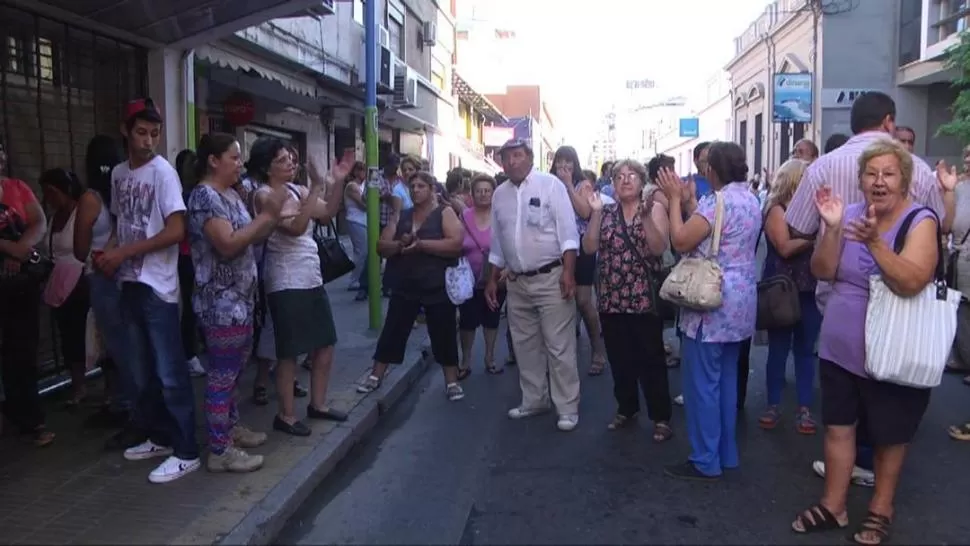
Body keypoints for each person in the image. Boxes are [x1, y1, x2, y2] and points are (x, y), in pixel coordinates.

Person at [785, 92, 948, 488]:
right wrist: (836, 227)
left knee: (888, 424)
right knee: (841, 420)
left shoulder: (824, 167)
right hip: (843, 336)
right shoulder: (917, 177)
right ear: (888, 121)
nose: (879, 182)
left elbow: (796, 227)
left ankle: (878, 499)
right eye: (871, 175)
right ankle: (838, 499)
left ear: (903, 180)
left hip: (897, 334)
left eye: (888, 175)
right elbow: (822, 267)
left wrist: (874, 241)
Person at [96, 98, 199, 483]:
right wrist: (108, 254)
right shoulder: (120, 174)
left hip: (158, 287)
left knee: (170, 371)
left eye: (155, 133)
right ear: (125, 130)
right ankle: (160, 437)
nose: (149, 141)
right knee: (141, 373)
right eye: (141, 132)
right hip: (129, 282)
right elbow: (124, 224)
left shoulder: (164, 174)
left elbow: (176, 231)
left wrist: (122, 252)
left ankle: (187, 450)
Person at [657, 141, 761, 480]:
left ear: (711, 170)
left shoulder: (715, 201)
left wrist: (674, 200)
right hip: (742, 298)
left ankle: (704, 458)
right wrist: (689, 202)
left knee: (702, 383)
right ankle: (726, 452)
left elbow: (682, 241)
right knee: (728, 380)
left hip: (711, 300)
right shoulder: (751, 199)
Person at [187, 133, 288, 473]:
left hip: (240, 302)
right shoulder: (204, 197)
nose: (240, 164)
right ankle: (219, 449)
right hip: (220, 305)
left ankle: (230, 429)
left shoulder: (230, 193)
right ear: (214, 161)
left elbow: (251, 236)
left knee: (232, 373)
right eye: (233, 157)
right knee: (221, 375)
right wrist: (265, 218)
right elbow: (227, 244)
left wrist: (267, 217)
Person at [249, 138, 354, 436]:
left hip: (310, 275)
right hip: (284, 278)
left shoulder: (299, 190)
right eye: (282, 160)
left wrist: (337, 183)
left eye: (291, 158)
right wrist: (318, 186)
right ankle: (286, 415)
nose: (291, 163)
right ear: (265, 166)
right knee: (290, 351)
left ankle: (317, 405)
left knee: (325, 343)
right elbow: (295, 229)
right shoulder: (264, 195)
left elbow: (328, 212)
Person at [485, 139, 582, 432]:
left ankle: (567, 407)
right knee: (525, 344)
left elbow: (568, 233)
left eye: (517, 155)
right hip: (516, 281)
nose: (512, 162)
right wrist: (492, 277)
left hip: (551, 277)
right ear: (501, 163)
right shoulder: (499, 195)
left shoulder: (550, 185)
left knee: (559, 345)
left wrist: (569, 272)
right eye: (507, 157)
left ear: (529, 157)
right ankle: (534, 399)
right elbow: (497, 241)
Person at [583, 159, 673, 440]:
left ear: (641, 180)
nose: (625, 180)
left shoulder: (655, 208)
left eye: (631, 175)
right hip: (612, 298)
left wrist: (645, 216)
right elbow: (589, 247)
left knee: (651, 358)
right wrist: (595, 214)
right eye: (619, 176)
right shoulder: (606, 211)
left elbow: (658, 248)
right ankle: (627, 407)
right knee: (619, 358)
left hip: (644, 297)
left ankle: (660, 417)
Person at [357, 171, 466, 401]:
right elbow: (381, 246)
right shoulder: (402, 215)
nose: (416, 190)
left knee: (444, 333)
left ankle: (451, 381)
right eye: (412, 186)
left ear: (431, 189)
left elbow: (456, 245)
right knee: (393, 331)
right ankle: (376, 376)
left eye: (421, 186)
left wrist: (422, 245)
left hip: (436, 284)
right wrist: (399, 244)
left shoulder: (444, 213)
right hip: (406, 283)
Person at [758, 159, 820, 433]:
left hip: (808, 288)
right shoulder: (776, 209)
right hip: (782, 289)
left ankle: (804, 408)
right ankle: (773, 405)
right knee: (779, 349)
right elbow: (783, 246)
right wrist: (815, 239)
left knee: (806, 351)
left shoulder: (813, 209)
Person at [0, 136, 54, 447]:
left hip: (20, 285)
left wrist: (22, 248)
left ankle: (29, 419)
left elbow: (39, 222)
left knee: (22, 352)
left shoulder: (17, 188)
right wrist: (9, 248)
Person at [551, 145, 607, 375]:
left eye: (568, 163)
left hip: (582, 248)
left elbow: (585, 212)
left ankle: (597, 348)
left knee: (584, 302)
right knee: (561, 302)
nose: (564, 167)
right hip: (557, 249)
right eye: (560, 163)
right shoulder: (549, 185)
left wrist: (567, 186)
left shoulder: (583, 185)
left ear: (575, 164)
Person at [457, 174, 505, 375]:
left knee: (491, 318)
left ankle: (490, 357)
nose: (483, 194)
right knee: (467, 321)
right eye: (479, 191)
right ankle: (465, 361)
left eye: (487, 190)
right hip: (468, 279)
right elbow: (457, 241)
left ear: (493, 193)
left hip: (495, 278)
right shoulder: (464, 216)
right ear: (472, 194)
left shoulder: (500, 215)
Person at [175, 149, 207, 378]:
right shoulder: (186, 196)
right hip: (187, 257)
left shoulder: (198, 193)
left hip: (195, 257)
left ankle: (194, 348)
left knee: (193, 306)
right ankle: (190, 353)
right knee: (190, 306)